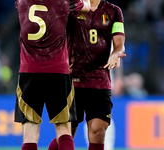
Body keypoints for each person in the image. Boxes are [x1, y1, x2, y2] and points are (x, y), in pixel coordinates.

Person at [48, 0, 126, 150]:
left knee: (98, 130)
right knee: (67, 133)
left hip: (100, 80)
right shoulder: (71, 7)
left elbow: (119, 42)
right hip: (72, 79)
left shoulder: (114, 11)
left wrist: (116, 53)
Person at [14, 0, 90, 150]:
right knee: (63, 131)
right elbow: (87, 7)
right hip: (58, 71)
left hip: (29, 72)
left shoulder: (22, 1)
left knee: (30, 135)